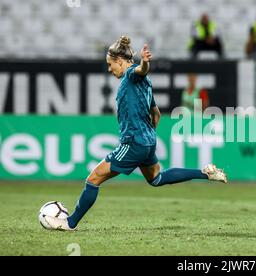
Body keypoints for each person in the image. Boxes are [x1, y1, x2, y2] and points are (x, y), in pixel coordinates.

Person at [44, 36, 228, 231]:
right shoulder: (145, 85)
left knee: (93, 179)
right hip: (147, 142)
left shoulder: (132, 74)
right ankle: (205, 173)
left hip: (133, 142)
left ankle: (70, 223)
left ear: (120, 61)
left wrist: (145, 63)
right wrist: (147, 135)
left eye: (110, 64)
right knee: (156, 179)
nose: (109, 69)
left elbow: (140, 70)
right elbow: (156, 114)